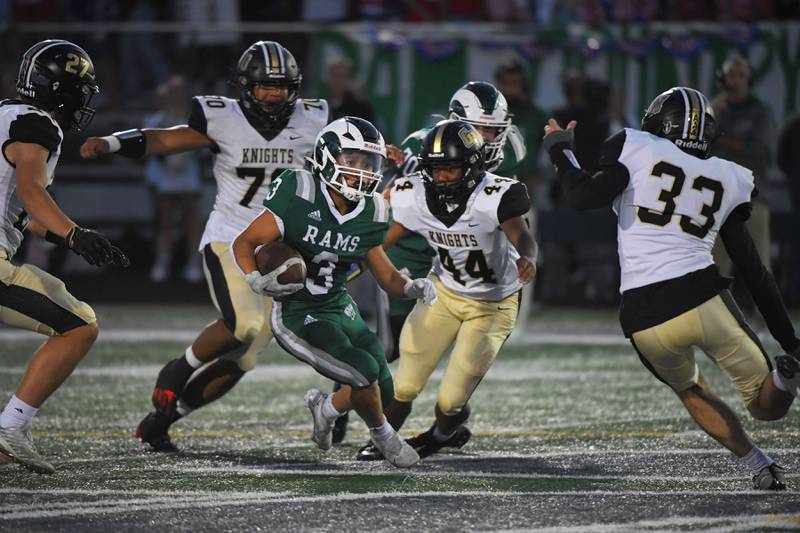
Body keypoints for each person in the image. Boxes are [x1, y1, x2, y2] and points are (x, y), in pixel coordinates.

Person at [542, 86, 800, 490]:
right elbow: (753, 270)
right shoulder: (727, 175)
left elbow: (582, 195)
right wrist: (790, 340)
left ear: (658, 122)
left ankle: (757, 463)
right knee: (766, 406)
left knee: (690, 388)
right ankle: (786, 377)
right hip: (702, 297)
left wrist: (560, 149)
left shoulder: (636, 146)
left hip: (644, 315)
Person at [80, 40, 329, 452]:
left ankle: (164, 419)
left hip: (280, 249)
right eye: (265, 87)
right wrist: (113, 143)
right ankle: (178, 370)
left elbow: (342, 158)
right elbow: (166, 140)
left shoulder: (313, 120)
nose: (273, 95)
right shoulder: (223, 118)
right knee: (244, 326)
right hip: (230, 238)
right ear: (245, 87)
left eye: (281, 87)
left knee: (245, 358)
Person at [231, 116, 437, 468]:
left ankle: (325, 408)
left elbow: (384, 273)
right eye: (352, 161)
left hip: (338, 303)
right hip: (297, 312)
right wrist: (253, 278)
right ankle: (384, 437)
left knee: (385, 386)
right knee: (362, 369)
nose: (361, 171)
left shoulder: (373, 209)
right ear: (327, 158)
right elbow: (245, 242)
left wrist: (411, 286)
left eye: (367, 163)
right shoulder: (300, 191)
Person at [333, 80, 529, 445]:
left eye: (495, 129)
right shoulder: (422, 145)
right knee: (391, 349)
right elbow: (387, 202)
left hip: (465, 259)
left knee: (455, 370)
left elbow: (504, 206)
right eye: (482, 128)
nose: (489, 137)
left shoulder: (511, 151)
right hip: (412, 252)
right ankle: (345, 403)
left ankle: (443, 425)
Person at [0, 40, 129, 474]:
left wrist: (69, 238)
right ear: (61, 91)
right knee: (78, 326)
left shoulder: (7, 115)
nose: (84, 100)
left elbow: (20, 215)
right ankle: (11, 428)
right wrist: (74, 234)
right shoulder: (39, 125)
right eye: (81, 90)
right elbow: (33, 193)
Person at [710, 54, 776, 312]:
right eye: (730, 74)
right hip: (719, 199)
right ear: (722, 78)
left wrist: (720, 135)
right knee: (715, 266)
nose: (734, 80)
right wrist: (709, 116)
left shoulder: (760, 111)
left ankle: (769, 319)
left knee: (758, 265)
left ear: (749, 79)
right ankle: (714, 317)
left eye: (740, 75)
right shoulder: (716, 110)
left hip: (752, 198)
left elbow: (758, 150)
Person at [143, 75, 203, 283]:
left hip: (188, 176)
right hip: (166, 177)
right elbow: (150, 146)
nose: (176, 95)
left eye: (180, 91)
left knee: (192, 220)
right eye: (173, 91)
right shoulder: (155, 120)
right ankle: (163, 261)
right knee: (166, 221)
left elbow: (202, 145)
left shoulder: (194, 118)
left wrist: (186, 157)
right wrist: (166, 160)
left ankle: (194, 263)